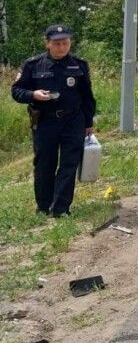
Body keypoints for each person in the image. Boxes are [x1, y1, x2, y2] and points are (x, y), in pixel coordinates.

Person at [10, 25, 96, 217]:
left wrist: (88, 122)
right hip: (45, 122)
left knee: (69, 163)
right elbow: (16, 91)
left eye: (65, 43)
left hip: (73, 120)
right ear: (47, 43)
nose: (62, 47)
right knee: (44, 164)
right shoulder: (33, 65)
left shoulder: (79, 65)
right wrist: (34, 94)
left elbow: (87, 96)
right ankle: (43, 206)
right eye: (57, 43)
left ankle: (61, 208)